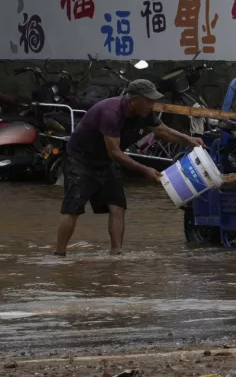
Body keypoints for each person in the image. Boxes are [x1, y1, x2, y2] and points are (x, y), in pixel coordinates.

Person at [55, 79, 205, 257]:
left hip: (106, 160)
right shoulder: (111, 113)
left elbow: (162, 130)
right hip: (81, 159)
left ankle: (116, 254)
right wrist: (145, 169)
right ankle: (59, 254)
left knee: (117, 206)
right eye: (149, 100)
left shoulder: (144, 112)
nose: (152, 104)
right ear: (134, 100)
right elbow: (115, 153)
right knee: (73, 207)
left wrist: (189, 140)